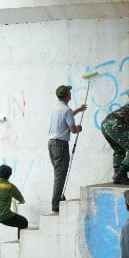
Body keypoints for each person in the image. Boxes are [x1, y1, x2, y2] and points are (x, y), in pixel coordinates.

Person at [48, 84, 86, 213]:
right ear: (67, 96)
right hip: (60, 145)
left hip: (52, 143)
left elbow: (66, 116)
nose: (70, 94)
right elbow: (73, 130)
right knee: (60, 175)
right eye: (69, 92)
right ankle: (56, 204)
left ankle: (57, 199)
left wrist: (78, 110)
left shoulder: (56, 107)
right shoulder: (67, 110)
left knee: (58, 173)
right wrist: (79, 128)